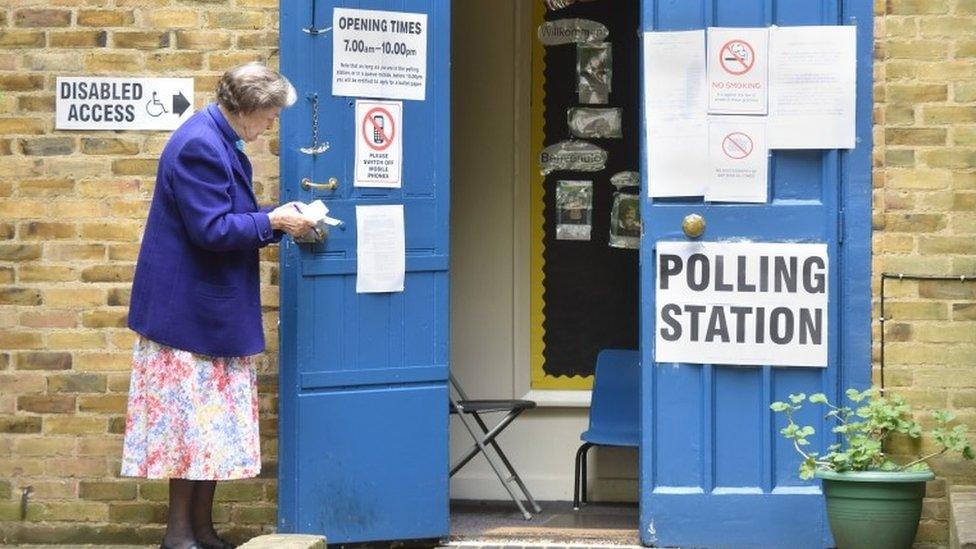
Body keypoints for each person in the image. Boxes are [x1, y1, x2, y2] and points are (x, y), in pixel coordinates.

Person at [121, 63, 315, 549]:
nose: (272, 124)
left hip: (202, 314)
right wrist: (273, 221)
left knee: (207, 431)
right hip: (187, 318)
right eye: (270, 115)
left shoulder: (217, 138)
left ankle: (201, 532)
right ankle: (179, 537)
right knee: (190, 431)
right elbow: (210, 230)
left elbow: (224, 217)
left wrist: (272, 217)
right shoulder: (200, 146)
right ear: (247, 109)